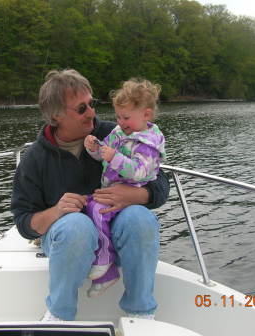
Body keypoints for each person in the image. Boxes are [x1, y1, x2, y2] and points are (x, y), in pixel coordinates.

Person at [10, 69, 169, 322]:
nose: (93, 113)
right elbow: (24, 223)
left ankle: (140, 313)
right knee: (76, 225)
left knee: (140, 218)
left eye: (92, 104)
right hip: (66, 237)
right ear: (56, 116)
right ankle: (59, 315)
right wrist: (57, 211)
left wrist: (133, 196)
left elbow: (160, 183)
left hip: (114, 224)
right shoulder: (34, 160)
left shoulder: (115, 135)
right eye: (82, 108)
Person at [83, 78, 166, 298]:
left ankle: (105, 260)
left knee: (98, 212)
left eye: (126, 117)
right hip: (110, 190)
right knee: (91, 210)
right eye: (118, 116)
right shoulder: (120, 133)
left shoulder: (149, 144)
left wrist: (114, 157)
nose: (120, 121)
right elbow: (104, 155)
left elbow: (140, 172)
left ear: (146, 115)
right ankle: (105, 273)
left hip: (128, 195)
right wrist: (94, 148)